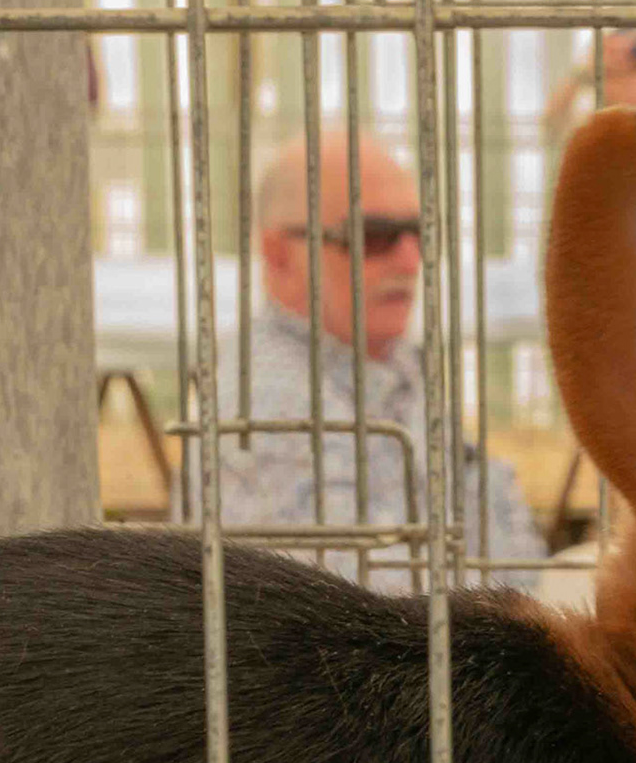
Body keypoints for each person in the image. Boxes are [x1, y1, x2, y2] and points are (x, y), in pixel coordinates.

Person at [211, 129, 548, 590]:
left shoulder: (390, 364)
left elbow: (520, 556)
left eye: (420, 233)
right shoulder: (268, 401)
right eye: (372, 237)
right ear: (279, 255)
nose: (411, 261)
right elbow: (365, 610)